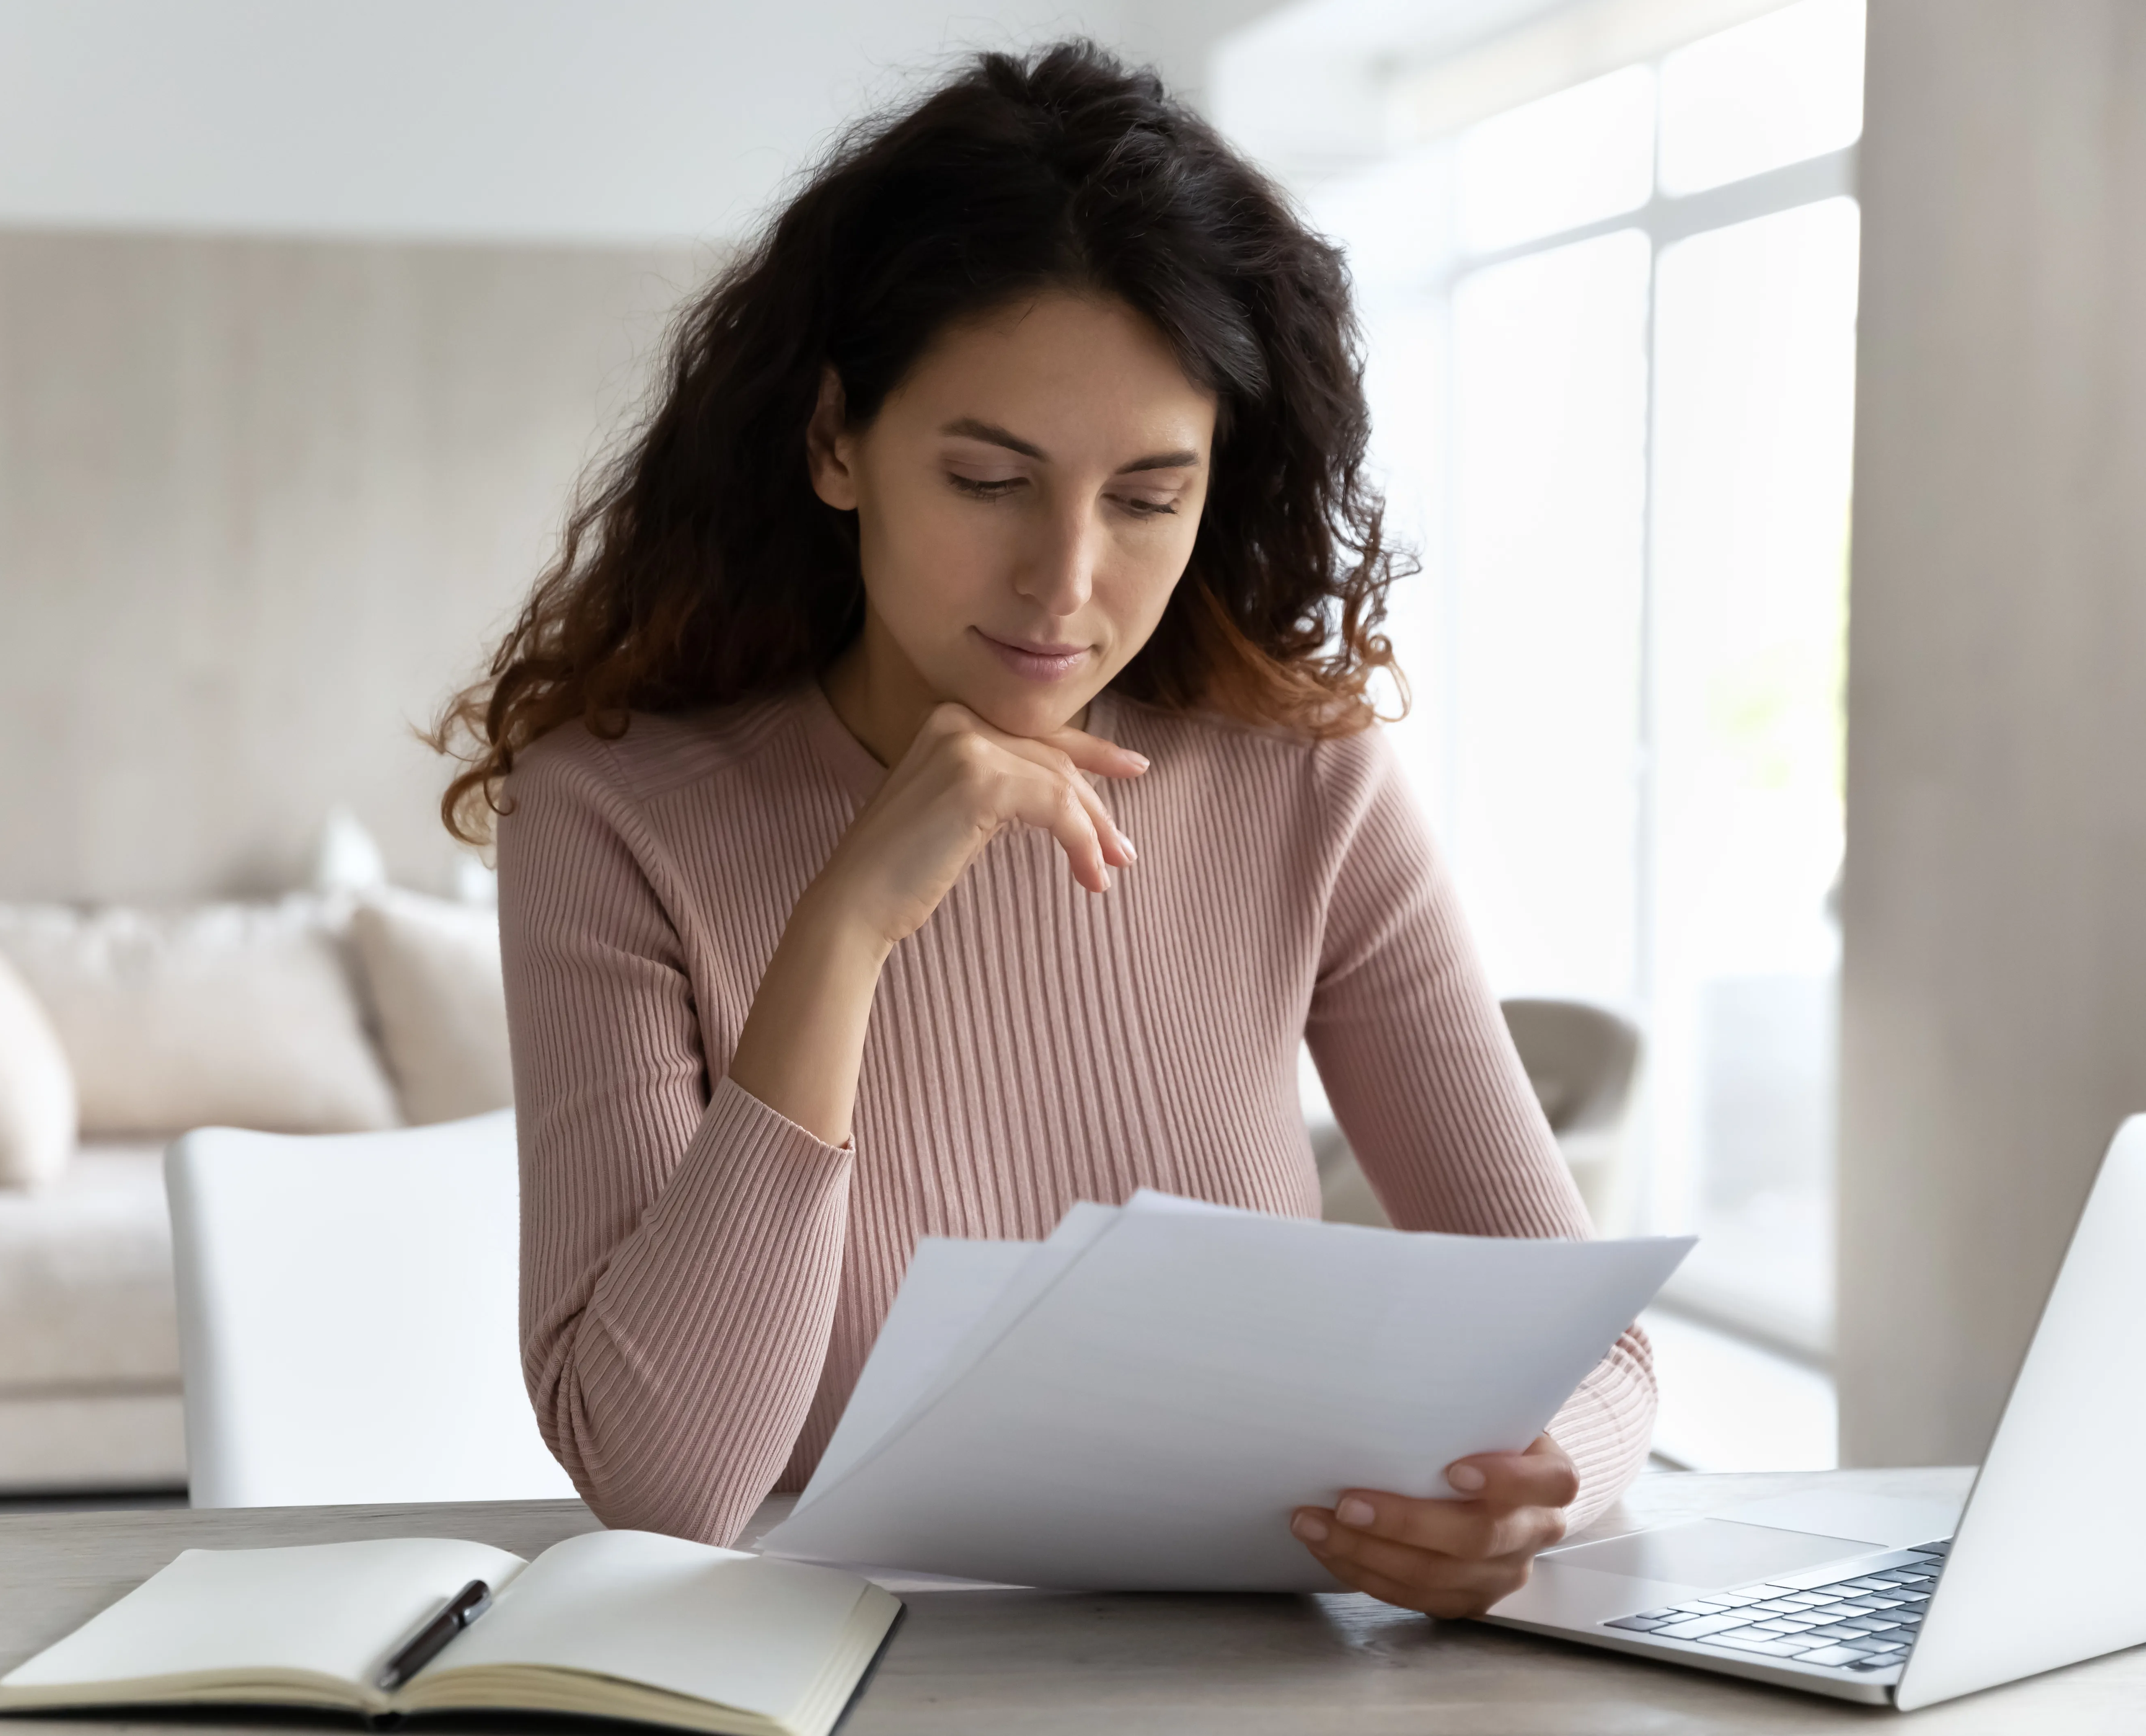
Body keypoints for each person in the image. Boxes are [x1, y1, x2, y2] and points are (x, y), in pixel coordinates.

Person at [433, 40, 1654, 1621]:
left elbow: (1595, 1349)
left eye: (1147, 496)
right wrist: (846, 920)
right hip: (820, 1686)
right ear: (832, 443)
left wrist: (1523, 1491)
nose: (1063, 580)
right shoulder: (611, 816)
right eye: (989, 478)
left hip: (1237, 1685)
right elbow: (665, 1483)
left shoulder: (1307, 787)